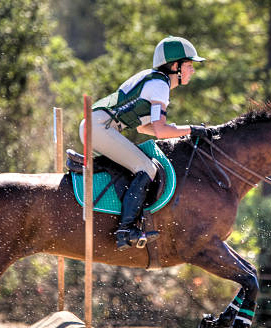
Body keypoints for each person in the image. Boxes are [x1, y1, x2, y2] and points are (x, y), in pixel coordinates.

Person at [79, 36, 209, 251]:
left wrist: (183, 131)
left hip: (98, 126)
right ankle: (126, 229)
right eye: (189, 65)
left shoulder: (156, 80)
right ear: (175, 66)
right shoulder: (160, 85)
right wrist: (193, 130)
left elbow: (145, 128)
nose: (193, 70)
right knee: (146, 168)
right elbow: (161, 130)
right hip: (100, 127)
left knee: (140, 165)